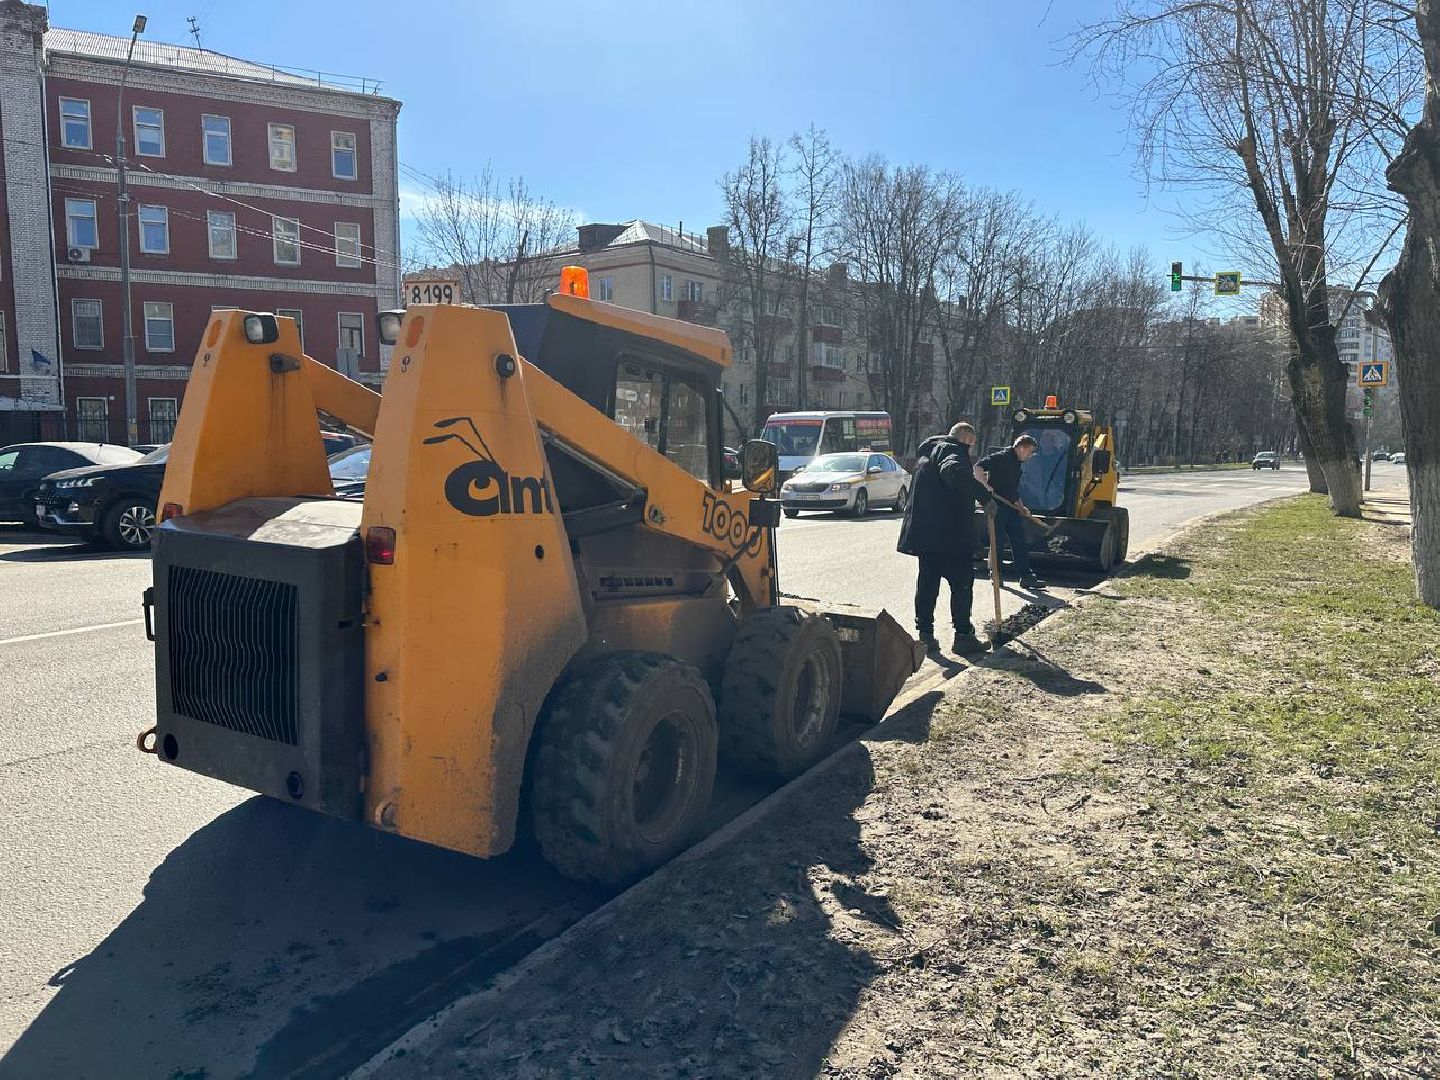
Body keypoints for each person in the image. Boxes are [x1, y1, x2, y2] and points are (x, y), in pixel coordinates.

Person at [897, 422, 985, 656]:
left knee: (927, 585)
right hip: (951, 536)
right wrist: (985, 496)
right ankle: (963, 636)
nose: (971, 452)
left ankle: (925, 636)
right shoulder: (952, 452)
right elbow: (953, 472)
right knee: (962, 585)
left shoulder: (926, 457)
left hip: (926, 537)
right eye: (972, 446)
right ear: (966, 440)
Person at [974, 434, 1044, 590]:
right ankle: (995, 574)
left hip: (1011, 507)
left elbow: (1012, 489)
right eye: (1030, 452)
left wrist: (1021, 506)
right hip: (997, 507)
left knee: (1018, 540)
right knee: (997, 542)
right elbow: (978, 467)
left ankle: (1026, 576)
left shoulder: (1017, 464)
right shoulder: (1001, 457)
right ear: (1021, 448)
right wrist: (985, 486)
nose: (1030, 456)